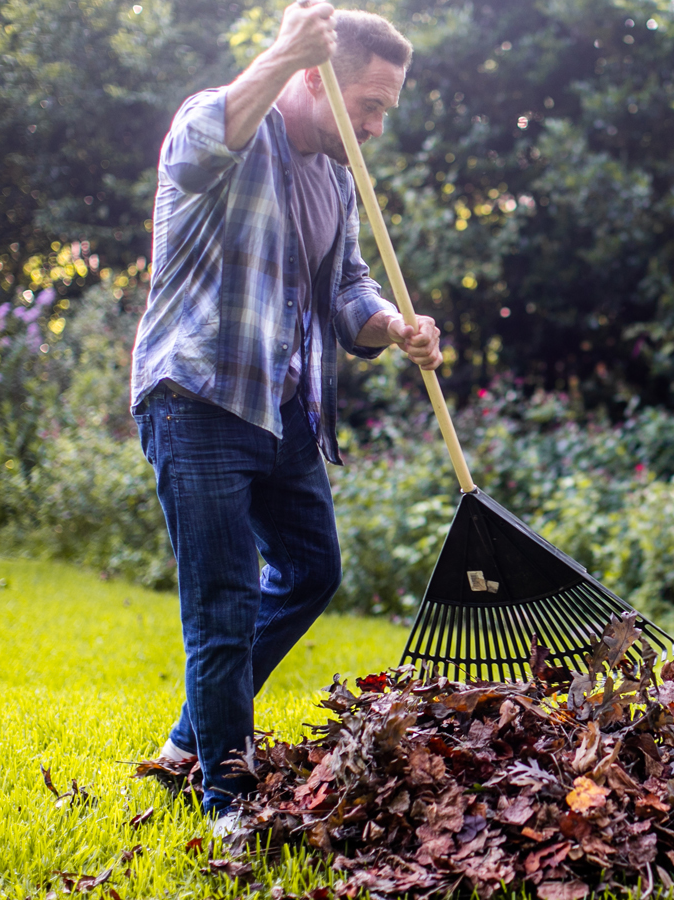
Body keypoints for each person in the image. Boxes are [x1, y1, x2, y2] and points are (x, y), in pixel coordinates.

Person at [127, 0, 439, 819]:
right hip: (200, 401)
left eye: (383, 109)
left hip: (285, 411)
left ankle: (190, 741)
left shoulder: (337, 178)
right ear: (315, 79)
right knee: (222, 612)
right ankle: (228, 806)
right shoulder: (222, 124)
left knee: (312, 568)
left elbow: (347, 289)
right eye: (368, 104)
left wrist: (392, 326)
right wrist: (279, 50)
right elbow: (196, 152)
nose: (375, 126)